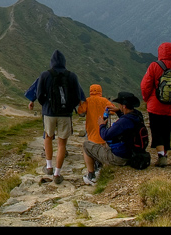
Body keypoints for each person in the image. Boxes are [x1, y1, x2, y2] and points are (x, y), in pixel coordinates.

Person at [27, 49, 85, 184]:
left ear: (51, 62)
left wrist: (46, 106)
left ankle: (48, 167)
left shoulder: (45, 75)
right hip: (65, 114)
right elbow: (77, 95)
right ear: (64, 62)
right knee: (62, 143)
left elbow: (40, 93)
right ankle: (57, 174)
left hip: (49, 113)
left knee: (48, 137)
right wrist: (70, 107)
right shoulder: (72, 76)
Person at [140, 42, 171, 167]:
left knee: (156, 130)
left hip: (155, 106)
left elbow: (145, 85)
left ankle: (161, 156)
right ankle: (165, 154)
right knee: (166, 130)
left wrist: (147, 99)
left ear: (160, 52)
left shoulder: (154, 66)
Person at [82, 91, 145, 170]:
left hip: (120, 158)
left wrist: (101, 125)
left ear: (124, 106)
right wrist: (118, 111)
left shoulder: (122, 122)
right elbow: (127, 122)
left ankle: (91, 175)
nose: (118, 105)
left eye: (119, 104)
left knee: (86, 145)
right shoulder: (137, 115)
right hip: (134, 153)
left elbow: (105, 135)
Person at [77, 84, 117, 185]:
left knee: (89, 149)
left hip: (91, 131)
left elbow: (80, 111)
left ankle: (91, 173)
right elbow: (113, 110)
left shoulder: (87, 100)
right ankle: (101, 169)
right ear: (100, 91)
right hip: (102, 131)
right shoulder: (104, 101)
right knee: (103, 148)